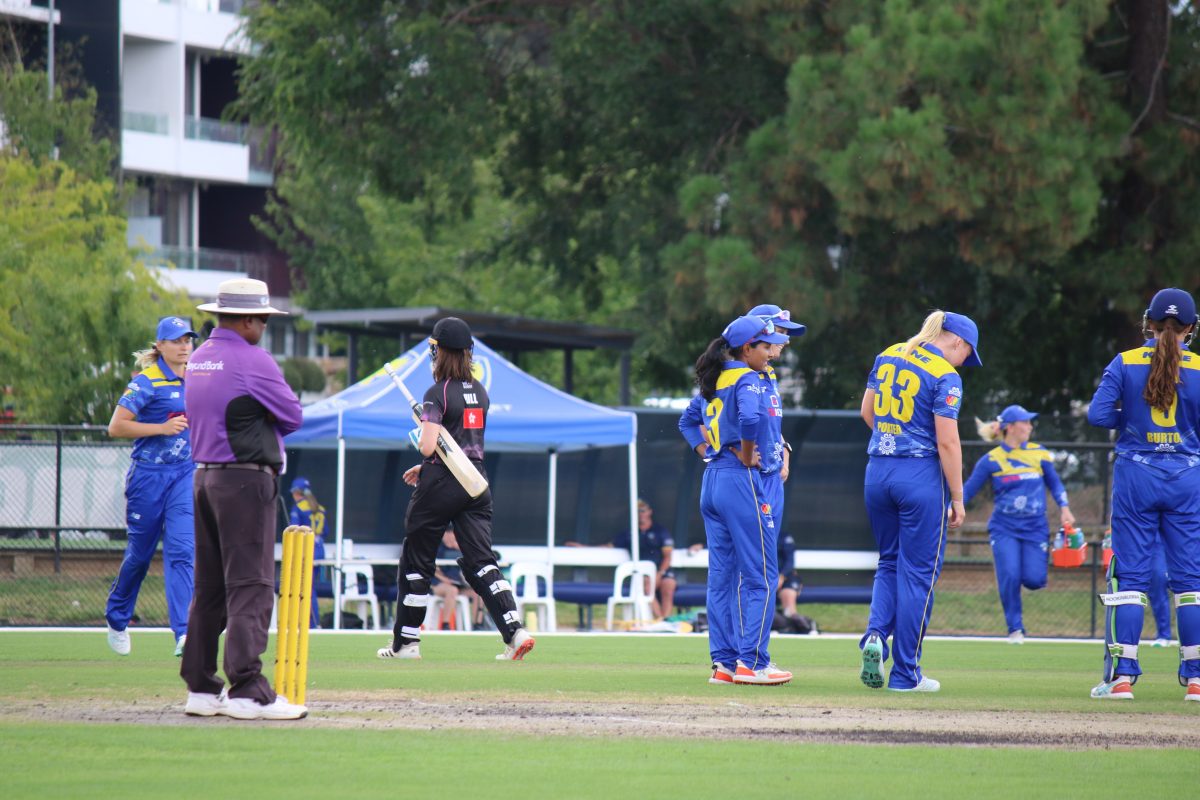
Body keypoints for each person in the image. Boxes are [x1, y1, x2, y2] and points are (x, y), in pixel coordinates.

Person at [180, 278, 307, 721]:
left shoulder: (198, 359)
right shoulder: (253, 359)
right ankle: (248, 690)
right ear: (250, 320)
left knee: (210, 587)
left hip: (203, 479)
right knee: (251, 586)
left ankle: (200, 686)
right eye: (264, 320)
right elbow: (292, 414)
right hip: (244, 483)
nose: (265, 328)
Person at [377, 317, 534, 661]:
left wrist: (423, 439)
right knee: (482, 560)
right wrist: (429, 464)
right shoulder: (480, 392)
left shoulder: (437, 393)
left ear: (439, 352)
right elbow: (464, 445)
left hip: (441, 486)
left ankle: (406, 643)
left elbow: (430, 446)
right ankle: (514, 630)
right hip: (476, 482)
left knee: (417, 559)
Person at [1086, 288, 1200, 702]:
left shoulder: (1125, 361)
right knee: (1190, 581)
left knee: (1130, 577)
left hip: (1137, 474)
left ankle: (1121, 678)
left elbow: (1098, 415)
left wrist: (1133, 418)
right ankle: (1195, 678)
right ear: (1191, 328)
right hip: (1187, 477)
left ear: (1148, 323)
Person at [859, 310, 981, 693]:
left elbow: (868, 413)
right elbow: (947, 441)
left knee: (889, 562)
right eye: (967, 354)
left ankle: (876, 636)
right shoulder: (946, 375)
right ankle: (905, 673)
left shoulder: (889, 353)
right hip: (919, 475)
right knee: (918, 575)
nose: (965, 362)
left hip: (878, 470)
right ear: (957, 342)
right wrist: (958, 496)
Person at [677, 314, 793, 686]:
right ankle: (753, 663)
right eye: (766, 345)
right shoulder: (747, 378)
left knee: (721, 579)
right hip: (741, 480)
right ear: (748, 348)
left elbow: (686, 421)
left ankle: (724, 665)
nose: (772, 351)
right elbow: (750, 418)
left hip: (712, 480)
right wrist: (745, 453)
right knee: (761, 575)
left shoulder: (717, 378)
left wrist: (706, 452)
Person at [105, 316, 199, 658]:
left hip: (184, 476)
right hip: (147, 477)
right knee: (140, 556)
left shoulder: (199, 378)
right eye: (176, 340)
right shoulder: (146, 382)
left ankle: (185, 632)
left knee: (182, 550)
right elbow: (116, 427)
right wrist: (161, 428)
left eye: (188, 339)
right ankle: (117, 617)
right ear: (159, 345)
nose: (184, 345)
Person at [965, 405, 1074, 644]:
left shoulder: (1039, 453)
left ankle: (1021, 600)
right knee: (1010, 575)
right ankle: (1015, 629)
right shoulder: (991, 460)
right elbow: (967, 491)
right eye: (1026, 422)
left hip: (1035, 527)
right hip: (1004, 528)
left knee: (1035, 580)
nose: (1030, 426)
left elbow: (1055, 485)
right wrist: (949, 510)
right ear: (1011, 428)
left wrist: (1064, 508)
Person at [565, 499, 677, 619]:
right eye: (637, 511)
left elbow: (667, 557)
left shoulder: (660, 531)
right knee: (647, 587)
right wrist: (583, 547)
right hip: (642, 573)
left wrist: (660, 573)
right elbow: (608, 547)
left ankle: (668, 621)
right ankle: (661, 621)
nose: (640, 514)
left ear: (649, 512)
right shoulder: (629, 533)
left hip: (662, 571)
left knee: (668, 585)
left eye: (643, 511)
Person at [288, 477, 327, 628]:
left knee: (305, 588)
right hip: (318, 550)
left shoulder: (298, 508)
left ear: (296, 493)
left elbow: (293, 529)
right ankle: (311, 622)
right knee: (310, 586)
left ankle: (310, 623)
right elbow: (326, 532)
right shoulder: (320, 508)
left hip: (304, 550)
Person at [430, 528, 482, 629]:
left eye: (452, 533)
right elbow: (431, 568)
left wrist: (460, 549)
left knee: (478, 592)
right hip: (438, 584)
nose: (449, 536)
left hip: (458, 584)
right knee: (452, 590)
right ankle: (446, 624)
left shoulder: (463, 548)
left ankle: (477, 624)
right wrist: (444, 579)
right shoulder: (436, 548)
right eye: (446, 533)